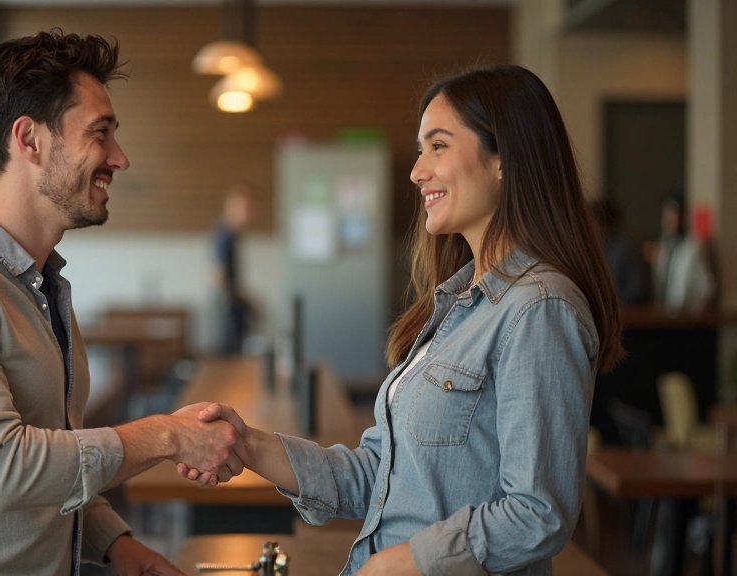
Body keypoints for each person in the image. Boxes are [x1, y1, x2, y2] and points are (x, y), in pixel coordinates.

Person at [180, 65, 624, 575]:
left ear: (505, 158)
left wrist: (404, 563)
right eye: (420, 150)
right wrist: (250, 444)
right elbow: (381, 474)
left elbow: (538, 513)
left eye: (438, 146)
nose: (417, 171)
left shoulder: (539, 309)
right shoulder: (461, 305)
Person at [0, 31, 245, 575]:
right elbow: (5, 469)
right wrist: (168, 435)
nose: (120, 158)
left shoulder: (39, 284)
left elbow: (55, 457)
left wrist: (114, 543)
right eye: (100, 134)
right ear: (30, 140)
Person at [647, 194, 715, 312]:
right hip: (665, 314)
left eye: (673, 214)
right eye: (666, 214)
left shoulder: (693, 247)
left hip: (685, 318)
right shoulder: (663, 245)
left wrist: (693, 314)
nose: (668, 219)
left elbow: (707, 288)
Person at [211, 185, 256, 355]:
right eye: (246, 207)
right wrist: (237, 299)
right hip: (228, 309)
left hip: (232, 305)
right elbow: (217, 275)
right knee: (229, 358)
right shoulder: (225, 235)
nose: (249, 213)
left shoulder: (232, 235)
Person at [590, 199, 647, 306]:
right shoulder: (601, 246)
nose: (590, 227)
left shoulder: (626, 247)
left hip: (630, 314)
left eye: (592, 221)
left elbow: (637, 290)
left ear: (602, 222)